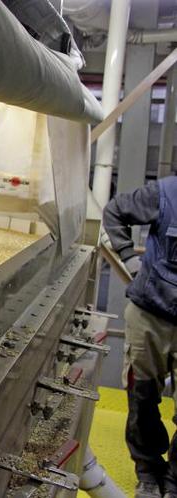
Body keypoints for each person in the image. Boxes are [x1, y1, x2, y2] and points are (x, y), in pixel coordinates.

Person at [103, 175, 177, 498]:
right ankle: (147, 471)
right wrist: (131, 262)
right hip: (150, 315)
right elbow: (114, 211)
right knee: (143, 397)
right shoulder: (166, 193)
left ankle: (174, 480)